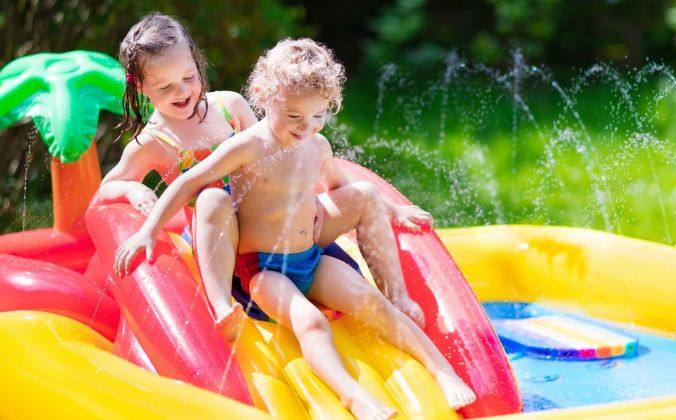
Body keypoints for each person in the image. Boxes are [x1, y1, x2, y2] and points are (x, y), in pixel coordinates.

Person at [115, 38, 475, 419]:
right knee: (311, 322)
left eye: (318, 116)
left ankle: (443, 371)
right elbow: (190, 183)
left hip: (311, 258)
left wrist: (392, 211)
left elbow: (339, 188)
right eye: (294, 117)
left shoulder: (316, 145)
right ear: (265, 97)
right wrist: (148, 231)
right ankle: (354, 397)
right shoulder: (247, 146)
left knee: (371, 303)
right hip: (264, 271)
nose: (306, 127)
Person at [99, 13, 257, 331]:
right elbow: (106, 187)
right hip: (215, 241)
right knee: (214, 198)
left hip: (260, 224)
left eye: (188, 76)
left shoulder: (230, 107)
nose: (182, 91)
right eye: (166, 86)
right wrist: (132, 189)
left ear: (196, 63)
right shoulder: (154, 141)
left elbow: (271, 156)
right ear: (141, 87)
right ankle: (222, 307)